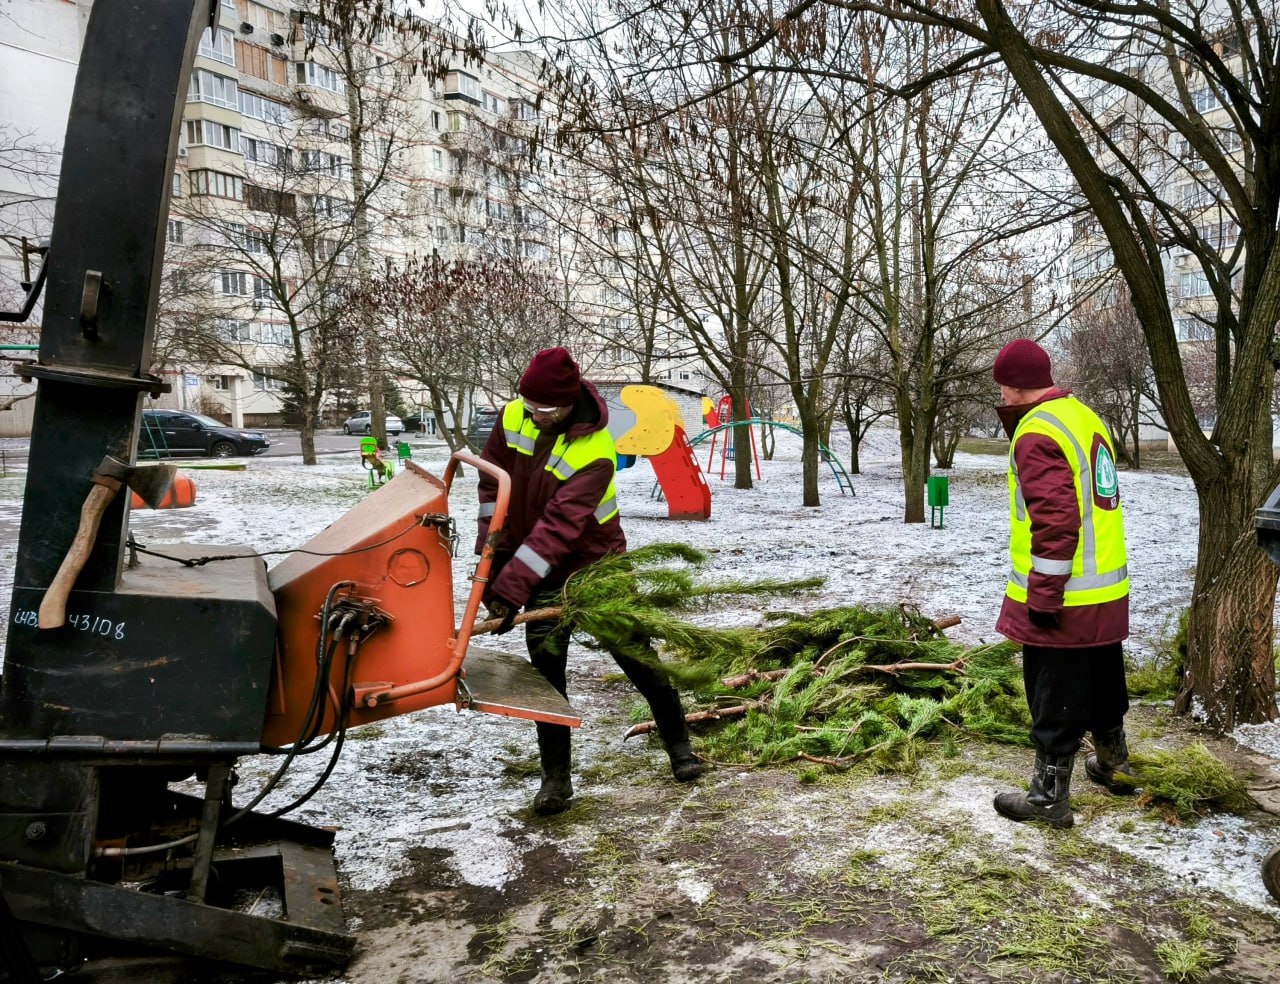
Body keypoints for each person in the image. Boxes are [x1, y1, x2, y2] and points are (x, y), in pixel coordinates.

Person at [476, 347, 703, 815]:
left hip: (595, 567)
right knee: (546, 675)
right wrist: (493, 567)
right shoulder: (514, 417)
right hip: (531, 567)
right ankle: (555, 780)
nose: (535, 417)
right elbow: (492, 489)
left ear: (567, 402)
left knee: (638, 658)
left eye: (546, 410)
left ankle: (680, 747)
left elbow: (559, 528)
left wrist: (510, 588)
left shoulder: (596, 448)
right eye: (530, 406)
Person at [990, 338, 1135, 830]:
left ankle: (1049, 797)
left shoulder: (1036, 432)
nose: (1003, 400)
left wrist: (1044, 594)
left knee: (1055, 691)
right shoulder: (1082, 416)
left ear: (1013, 386)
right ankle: (1115, 762)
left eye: (1003, 390)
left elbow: (1055, 521)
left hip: (1067, 595)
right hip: (1104, 589)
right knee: (1103, 676)